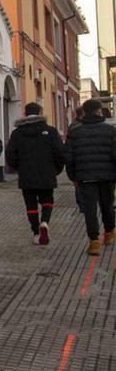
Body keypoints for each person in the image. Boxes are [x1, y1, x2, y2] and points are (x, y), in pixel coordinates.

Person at [6, 102, 66, 245]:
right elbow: (59, 153)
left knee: (30, 204)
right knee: (47, 201)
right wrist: (56, 169)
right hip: (47, 173)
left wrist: (18, 168)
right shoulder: (50, 131)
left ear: (25, 114)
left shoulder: (17, 133)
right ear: (40, 112)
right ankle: (44, 222)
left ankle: (36, 232)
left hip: (27, 175)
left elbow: (10, 155)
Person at [65, 98, 116, 256]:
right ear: (99, 111)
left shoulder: (74, 132)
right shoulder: (110, 130)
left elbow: (69, 157)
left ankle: (94, 242)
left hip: (85, 176)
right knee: (107, 205)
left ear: (84, 112)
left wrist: (73, 177)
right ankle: (109, 234)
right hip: (107, 176)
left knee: (90, 210)